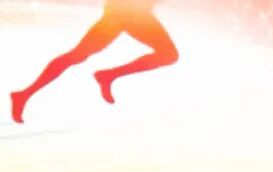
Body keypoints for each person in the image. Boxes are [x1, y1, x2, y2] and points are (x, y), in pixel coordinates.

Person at [10, 0, 178, 123]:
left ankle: (24, 94)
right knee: (168, 54)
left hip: (121, 11)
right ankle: (108, 75)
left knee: (78, 55)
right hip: (129, 13)